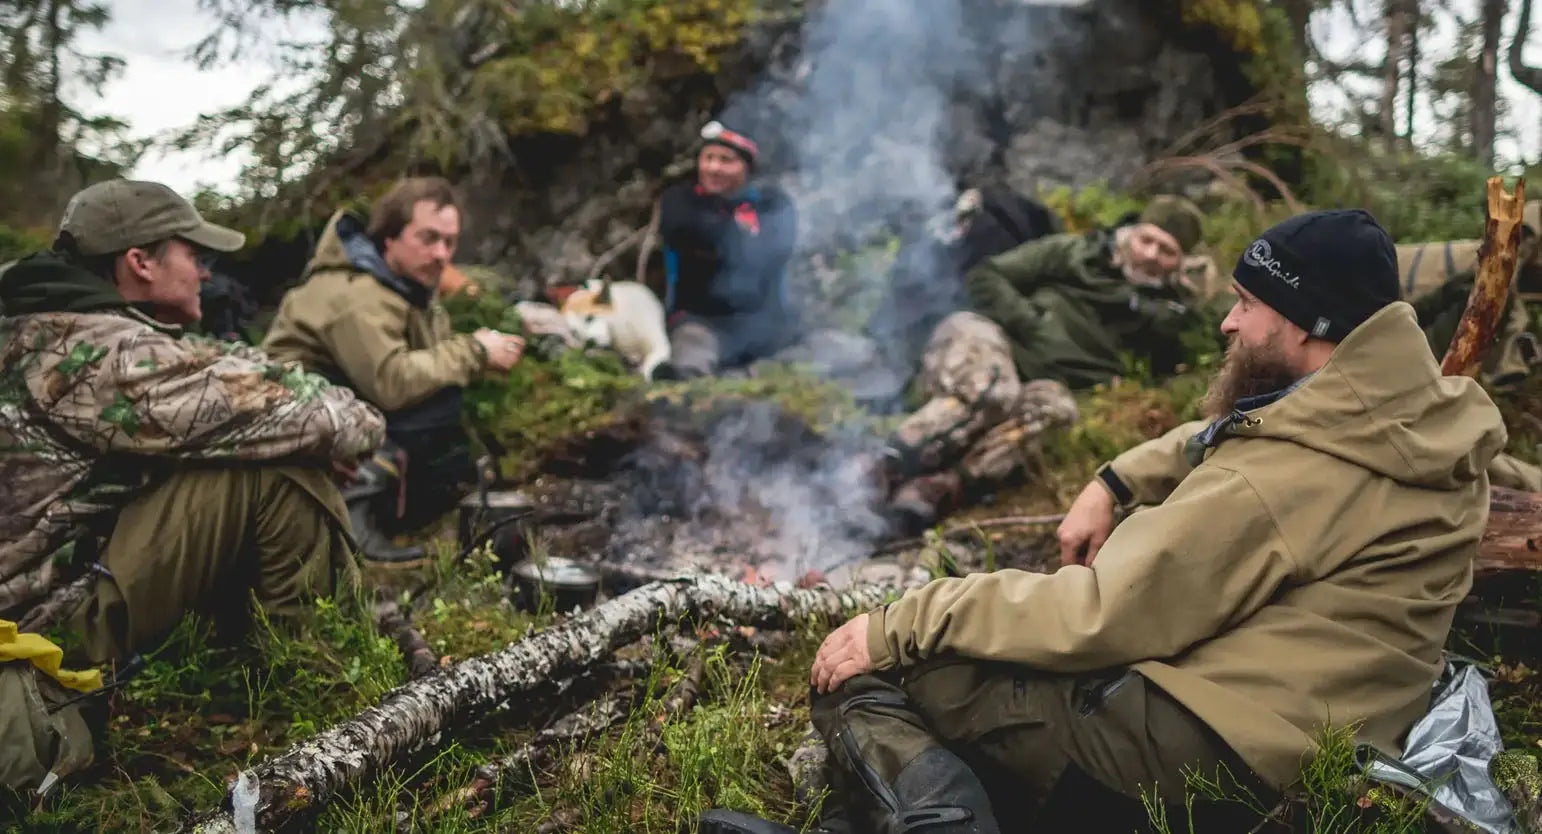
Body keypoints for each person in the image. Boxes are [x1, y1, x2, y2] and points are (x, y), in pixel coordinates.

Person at [698, 209, 1506, 833]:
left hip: (1203, 767)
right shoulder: (1428, 420)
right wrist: (1116, 478)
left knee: (892, 677)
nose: (1228, 324)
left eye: (1247, 305)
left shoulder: (1277, 481)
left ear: (1307, 325)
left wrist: (903, 620)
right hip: (1318, 735)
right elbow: (1233, 434)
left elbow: (1100, 616)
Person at [0, 179, 384, 792]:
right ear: (140, 263)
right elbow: (332, 420)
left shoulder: (44, 324)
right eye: (194, 255)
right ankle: (319, 689)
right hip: (40, 640)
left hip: (36, 605)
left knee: (251, 445)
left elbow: (229, 381)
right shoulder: (105, 355)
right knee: (280, 469)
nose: (206, 274)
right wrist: (324, 432)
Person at [882, 196, 1208, 530]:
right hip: (987, 340)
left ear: (1180, 262)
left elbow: (1193, 357)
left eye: (1166, 250)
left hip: (1038, 381)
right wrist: (1030, 322)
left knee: (1056, 411)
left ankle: (939, 488)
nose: (1150, 255)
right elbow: (988, 275)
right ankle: (883, 465)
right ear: (1131, 234)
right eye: (1146, 240)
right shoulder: (1076, 253)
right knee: (994, 389)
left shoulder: (1173, 316)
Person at [261, 177, 527, 562]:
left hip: (339, 409)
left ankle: (392, 508)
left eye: (449, 242)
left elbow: (426, 363)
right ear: (389, 237)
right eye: (428, 238)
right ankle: (351, 517)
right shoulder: (358, 293)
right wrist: (475, 351)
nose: (441, 254)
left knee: (443, 411)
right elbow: (392, 382)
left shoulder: (406, 287)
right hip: (292, 424)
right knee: (433, 406)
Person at [656, 120, 799, 378]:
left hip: (764, 325)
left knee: (837, 353)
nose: (713, 168)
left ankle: (751, 375)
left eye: (726, 160)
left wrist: (737, 238)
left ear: (746, 167)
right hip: (700, 321)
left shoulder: (772, 204)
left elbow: (777, 249)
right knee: (690, 361)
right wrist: (741, 235)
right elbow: (695, 234)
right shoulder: (680, 202)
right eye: (708, 158)